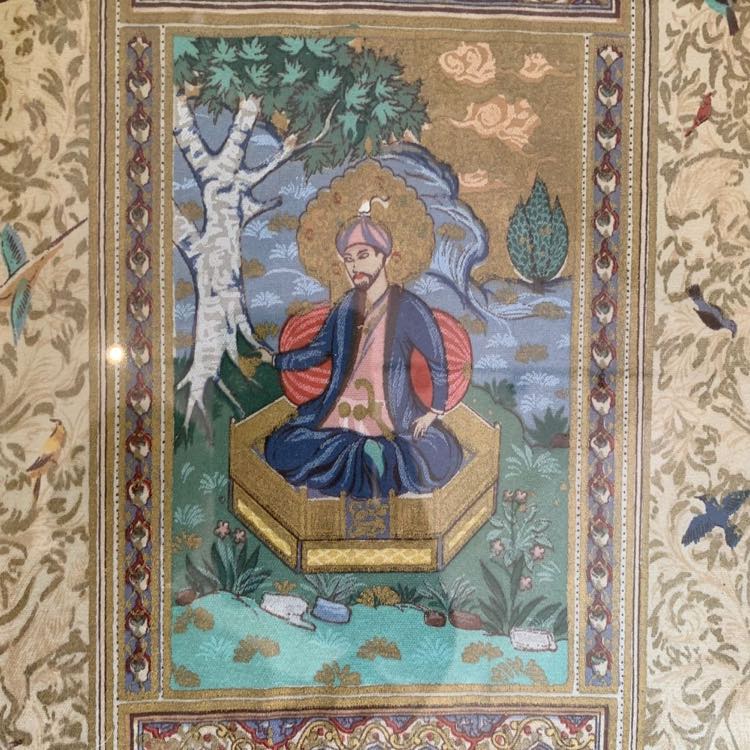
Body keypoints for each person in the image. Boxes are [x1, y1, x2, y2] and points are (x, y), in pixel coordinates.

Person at [260, 208, 462, 499]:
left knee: (438, 453)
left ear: (384, 257)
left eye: (363, 255)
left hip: (393, 414)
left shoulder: (409, 307)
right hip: (340, 411)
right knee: (282, 447)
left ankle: (370, 454)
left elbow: (437, 361)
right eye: (349, 259)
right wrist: (276, 360)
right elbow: (317, 351)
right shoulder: (346, 307)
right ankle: (368, 453)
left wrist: (434, 412)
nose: (355, 266)